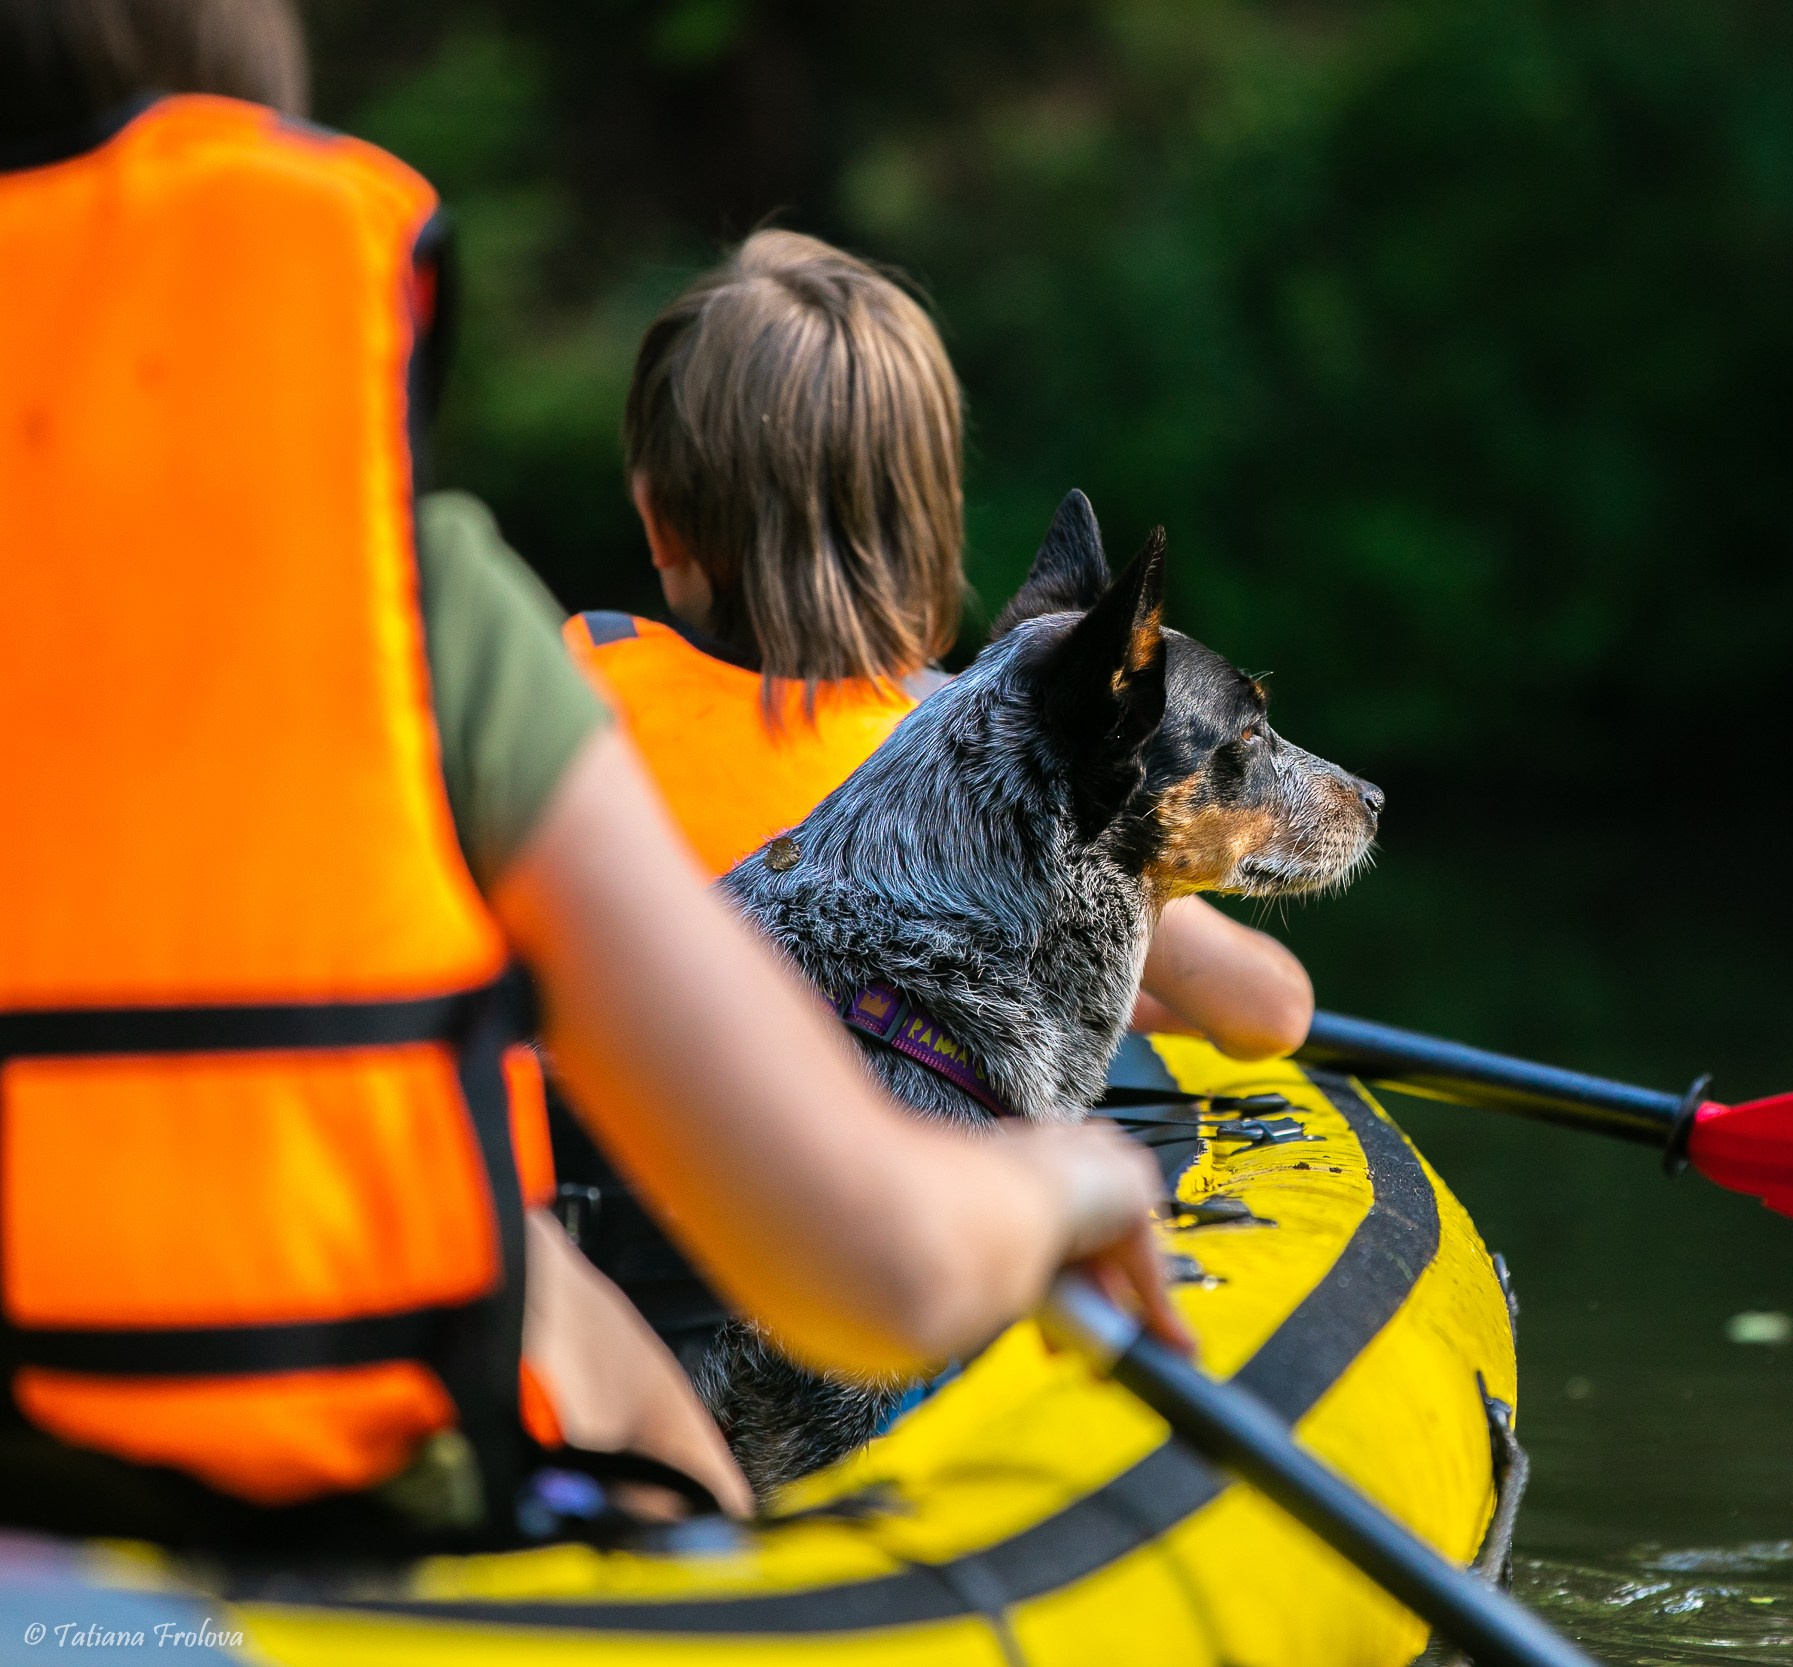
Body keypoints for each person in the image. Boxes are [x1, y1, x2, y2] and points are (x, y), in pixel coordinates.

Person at [0, 0, 1183, 1547]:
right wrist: (1076, 1180)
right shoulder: (407, 607)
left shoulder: (562, 655)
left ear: (656, 516)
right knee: (574, 1327)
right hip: (352, 1492)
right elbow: (868, 1263)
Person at [570, 229, 1315, 1061]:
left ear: (656, 517)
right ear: (937, 525)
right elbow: (1270, 1009)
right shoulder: (967, 754)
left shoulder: (581, 676)